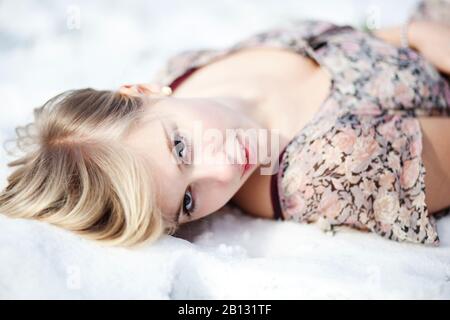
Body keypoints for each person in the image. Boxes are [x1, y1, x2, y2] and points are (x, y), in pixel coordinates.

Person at [1, 0, 450, 247]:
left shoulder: (185, 68)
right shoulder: (329, 171)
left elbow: (356, 39)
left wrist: (417, 33)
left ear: (141, 91)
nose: (224, 171)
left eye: (181, 149)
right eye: (190, 202)